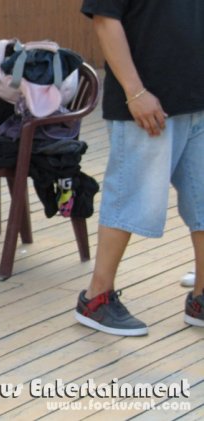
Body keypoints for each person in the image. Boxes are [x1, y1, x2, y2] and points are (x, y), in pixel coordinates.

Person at [74, 0, 204, 336]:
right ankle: (96, 298)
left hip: (198, 100)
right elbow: (105, 19)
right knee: (130, 198)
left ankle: (202, 298)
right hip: (146, 105)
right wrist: (135, 92)